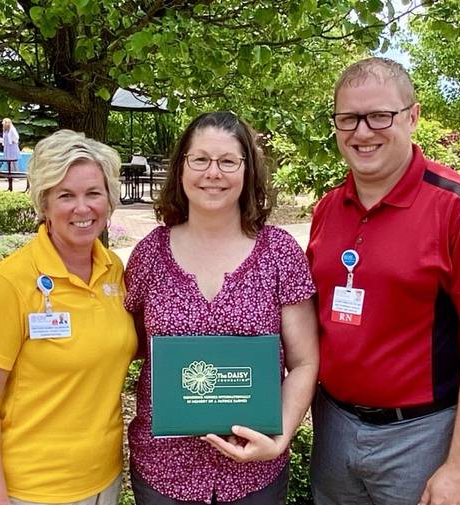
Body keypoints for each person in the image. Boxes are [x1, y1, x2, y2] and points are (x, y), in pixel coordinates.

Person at [307, 57, 460, 505]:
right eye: (348, 119)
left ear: (413, 116)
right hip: (332, 427)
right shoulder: (327, 209)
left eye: (379, 115)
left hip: (420, 436)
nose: (362, 133)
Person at [124, 111, 319, 505]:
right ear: (181, 168)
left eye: (228, 161)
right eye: (200, 160)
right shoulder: (148, 256)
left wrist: (280, 437)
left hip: (255, 473)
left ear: (247, 171)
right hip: (164, 469)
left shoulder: (280, 252)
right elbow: (128, 348)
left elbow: (304, 362)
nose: (213, 172)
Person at [0, 129, 137, 505]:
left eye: (93, 193)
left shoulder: (114, 271)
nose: (82, 208)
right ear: (44, 204)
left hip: (105, 480)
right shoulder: (9, 282)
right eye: (65, 195)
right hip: (34, 490)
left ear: (109, 200)